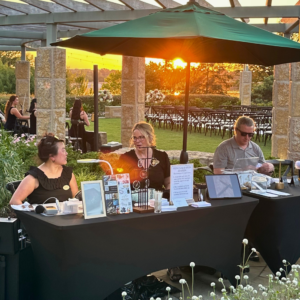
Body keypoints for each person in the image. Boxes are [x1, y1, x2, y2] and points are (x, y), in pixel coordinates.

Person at [9, 133, 78, 205]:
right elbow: (14, 201)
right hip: (41, 216)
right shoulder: (34, 178)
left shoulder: (68, 174)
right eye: (63, 150)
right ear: (52, 156)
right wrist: (32, 211)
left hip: (66, 216)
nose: (66, 153)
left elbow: (75, 199)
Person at [118, 121, 170, 191]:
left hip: (158, 200)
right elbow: (120, 185)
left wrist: (167, 194)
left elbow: (169, 183)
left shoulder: (162, 157)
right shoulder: (125, 158)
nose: (137, 141)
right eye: (135, 138)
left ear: (150, 138)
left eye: (141, 137)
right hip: (134, 201)